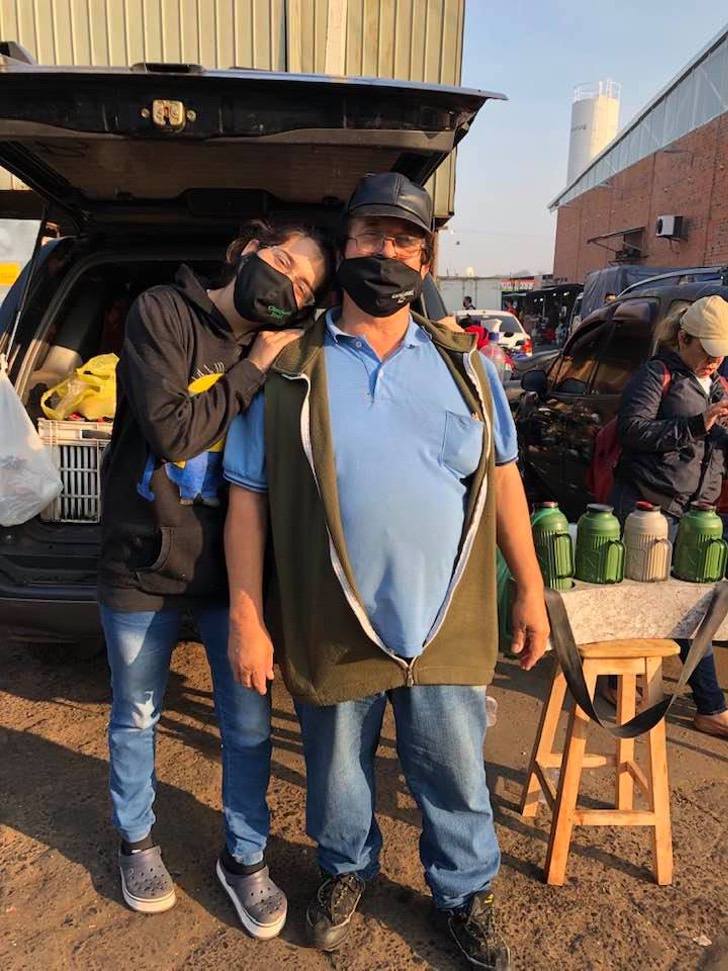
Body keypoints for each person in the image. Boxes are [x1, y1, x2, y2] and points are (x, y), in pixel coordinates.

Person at [223, 173, 549, 969]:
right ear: (345, 249)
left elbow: (503, 476)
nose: (389, 252)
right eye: (372, 235)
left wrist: (532, 588)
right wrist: (244, 615)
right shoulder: (292, 369)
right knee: (337, 769)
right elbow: (248, 499)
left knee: (454, 768)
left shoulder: (465, 366)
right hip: (335, 617)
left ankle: (466, 891)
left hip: (444, 618)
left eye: (407, 240)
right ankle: (344, 869)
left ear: (427, 259)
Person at [97, 219, 333, 931]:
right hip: (142, 560)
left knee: (250, 724)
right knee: (137, 713)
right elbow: (172, 432)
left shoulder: (286, 351)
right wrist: (254, 363)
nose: (286, 284)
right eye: (284, 262)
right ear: (250, 248)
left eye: (302, 287)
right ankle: (136, 840)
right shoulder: (160, 312)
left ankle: (245, 857)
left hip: (234, 574)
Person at [610, 295, 728, 739]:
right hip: (648, 506)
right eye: (707, 350)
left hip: (697, 514)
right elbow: (632, 430)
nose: (714, 361)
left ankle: (705, 703)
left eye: (721, 354)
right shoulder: (655, 374)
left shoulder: (717, 384)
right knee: (651, 603)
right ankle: (704, 703)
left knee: (690, 606)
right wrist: (698, 424)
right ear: (684, 338)